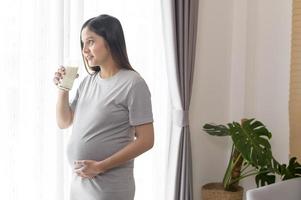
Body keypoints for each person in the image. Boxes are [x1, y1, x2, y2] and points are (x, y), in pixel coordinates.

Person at [53, 14, 154, 200]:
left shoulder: (133, 84)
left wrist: (100, 166)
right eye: (83, 44)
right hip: (79, 184)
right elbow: (64, 121)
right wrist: (63, 89)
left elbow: (146, 140)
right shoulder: (88, 82)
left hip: (109, 187)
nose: (84, 50)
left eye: (91, 42)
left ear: (111, 40)